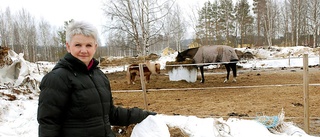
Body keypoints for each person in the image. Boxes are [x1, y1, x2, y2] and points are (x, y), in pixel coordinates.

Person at [37, 20, 156, 137]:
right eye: (78, 45)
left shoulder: (99, 76)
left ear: (95, 47)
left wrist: (141, 115)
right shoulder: (57, 79)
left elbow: (110, 114)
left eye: (88, 45)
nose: (84, 50)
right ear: (68, 46)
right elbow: (49, 125)